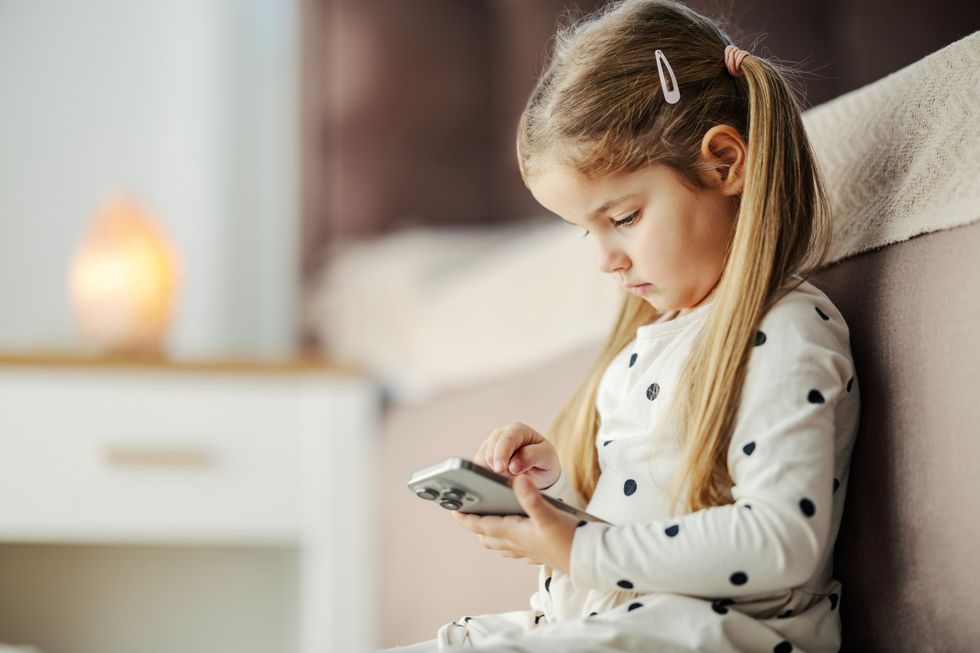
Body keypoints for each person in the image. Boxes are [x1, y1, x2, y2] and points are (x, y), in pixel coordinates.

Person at [370, 0, 859, 651]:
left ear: (724, 163)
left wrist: (581, 545)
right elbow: (643, 518)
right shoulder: (645, 351)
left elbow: (781, 541)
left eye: (623, 217)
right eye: (587, 230)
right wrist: (554, 491)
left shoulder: (787, 333)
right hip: (618, 624)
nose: (605, 258)